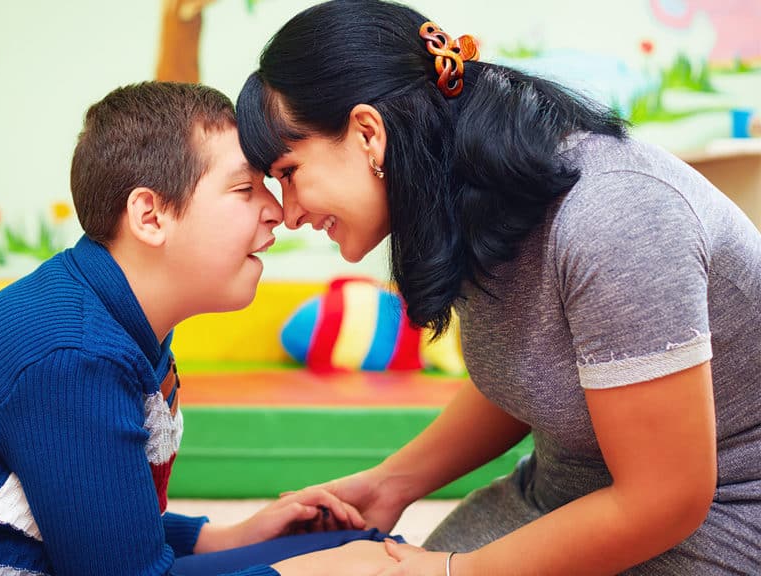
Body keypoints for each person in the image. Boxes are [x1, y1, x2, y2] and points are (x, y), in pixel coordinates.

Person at [235, 1, 761, 574]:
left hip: (718, 521)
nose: (287, 214)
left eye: (289, 173)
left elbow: (668, 499)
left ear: (368, 133)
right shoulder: (466, 190)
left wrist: (450, 570)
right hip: (564, 493)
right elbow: (535, 367)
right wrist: (390, 482)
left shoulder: (614, 214)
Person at [0, 82, 398, 575]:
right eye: (243, 189)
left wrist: (225, 537)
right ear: (150, 216)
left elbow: (97, 517)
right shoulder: (72, 352)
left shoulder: (120, 320)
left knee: (366, 548)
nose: (277, 211)